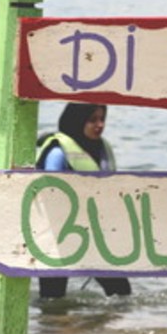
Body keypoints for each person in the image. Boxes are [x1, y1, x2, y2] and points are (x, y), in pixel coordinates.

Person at [35, 102, 132, 299]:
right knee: (53, 299)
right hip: (55, 237)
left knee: (121, 292)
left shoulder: (102, 149)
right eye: (92, 120)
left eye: (102, 119)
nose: (100, 125)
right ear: (77, 121)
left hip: (92, 235)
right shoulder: (57, 152)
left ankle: (101, 329)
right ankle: (56, 329)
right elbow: (48, 193)